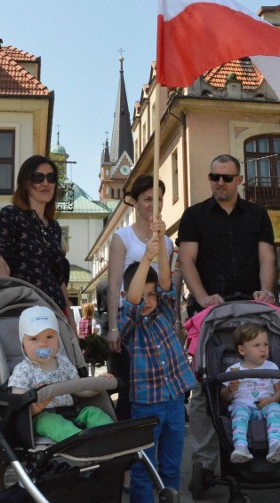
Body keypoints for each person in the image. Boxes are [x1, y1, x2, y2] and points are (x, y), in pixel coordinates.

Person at [178, 154, 277, 487]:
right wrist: (202, 296)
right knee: (207, 388)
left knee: (260, 377)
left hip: (251, 308)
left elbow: (266, 255)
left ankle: (265, 447)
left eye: (226, 177)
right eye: (214, 177)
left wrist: (266, 290)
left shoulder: (258, 214)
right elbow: (187, 260)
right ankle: (205, 463)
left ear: (239, 180)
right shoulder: (194, 215)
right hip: (210, 312)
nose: (219, 183)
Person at [119, 227, 196, 503]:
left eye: (152, 295)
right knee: (144, 467)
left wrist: (160, 248)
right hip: (146, 405)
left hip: (175, 399)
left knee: (172, 464)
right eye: (144, 295)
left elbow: (165, 283)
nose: (150, 301)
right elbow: (133, 300)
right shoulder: (129, 324)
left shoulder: (164, 311)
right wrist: (144, 260)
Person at [106, 175, 174, 420]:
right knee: (128, 388)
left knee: (156, 384)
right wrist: (113, 326)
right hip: (130, 320)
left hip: (156, 323)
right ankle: (126, 449)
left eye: (158, 198)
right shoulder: (122, 238)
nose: (154, 204)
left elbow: (166, 285)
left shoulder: (166, 242)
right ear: (134, 202)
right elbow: (114, 283)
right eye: (147, 199)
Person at [8, 305, 113, 441]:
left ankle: (111, 437)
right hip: (41, 417)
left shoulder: (63, 363)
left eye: (50, 336)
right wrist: (37, 407)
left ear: (58, 339)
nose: (43, 344)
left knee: (93, 412)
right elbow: (19, 408)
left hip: (72, 412)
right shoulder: (22, 370)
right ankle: (77, 442)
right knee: (51, 422)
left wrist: (98, 384)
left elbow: (81, 390)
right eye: (34, 339)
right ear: (23, 345)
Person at [0, 155, 74, 326]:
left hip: (55, 314)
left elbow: (60, 280)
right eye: (38, 178)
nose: (46, 183)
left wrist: (71, 323)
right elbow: (1, 262)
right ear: (26, 184)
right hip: (23, 312)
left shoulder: (54, 228)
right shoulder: (11, 215)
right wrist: (3, 312)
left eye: (51, 178)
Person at [221, 322, 280, 464]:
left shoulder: (272, 367)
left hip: (266, 405)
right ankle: (241, 448)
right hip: (242, 406)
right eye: (257, 345)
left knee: (276, 409)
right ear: (242, 350)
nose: (263, 349)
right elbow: (224, 397)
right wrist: (230, 390)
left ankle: (275, 446)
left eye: (265, 344)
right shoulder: (233, 370)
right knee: (239, 413)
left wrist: (272, 400)